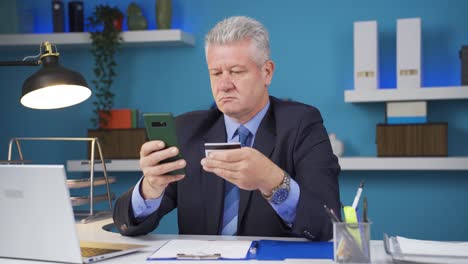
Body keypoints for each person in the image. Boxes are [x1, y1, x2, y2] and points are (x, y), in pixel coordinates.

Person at [113, 16, 341, 241]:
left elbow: (325, 224)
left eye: (236, 71)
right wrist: (150, 187)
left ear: (267, 72)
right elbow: (128, 224)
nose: (224, 85)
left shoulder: (302, 124)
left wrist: (272, 181)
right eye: (216, 73)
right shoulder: (185, 130)